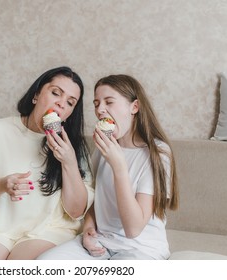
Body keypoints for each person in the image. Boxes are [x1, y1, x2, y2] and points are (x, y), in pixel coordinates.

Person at [38, 74, 178, 260]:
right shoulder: (104, 146)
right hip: (101, 243)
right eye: (96, 104)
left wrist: (119, 167)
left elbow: (133, 229)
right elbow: (98, 201)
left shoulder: (157, 154)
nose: (100, 110)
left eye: (109, 102)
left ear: (134, 107)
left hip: (140, 249)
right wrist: (88, 229)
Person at [0, 66, 94, 260]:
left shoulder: (74, 147)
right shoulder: (0, 129)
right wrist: (2, 185)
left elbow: (76, 211)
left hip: (48, 230)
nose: (61, 104)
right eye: (56, 93)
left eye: (70, 103)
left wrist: (69, 162)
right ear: (36, 95)